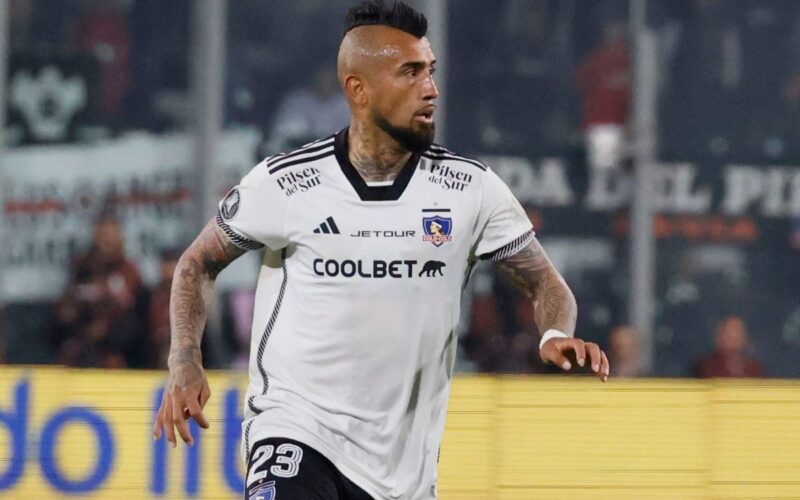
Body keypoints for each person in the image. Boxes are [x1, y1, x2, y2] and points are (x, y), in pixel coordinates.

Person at [153, 3, 610, 499]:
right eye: (410, 73)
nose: (431, 89)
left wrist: (555, 332)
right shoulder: (287, 184)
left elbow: (545, 283)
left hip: (401, 476)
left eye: (430, 71)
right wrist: (184, 359)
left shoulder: (470, 190)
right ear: (359, 89)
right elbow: (198, 262)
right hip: (297, 431)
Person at [694, 315, 764, 378]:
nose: (734, 340)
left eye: (737, 334)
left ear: (744, 339)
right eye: (729, 335)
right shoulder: (706, 367)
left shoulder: (754, 369)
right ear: (719, 336)